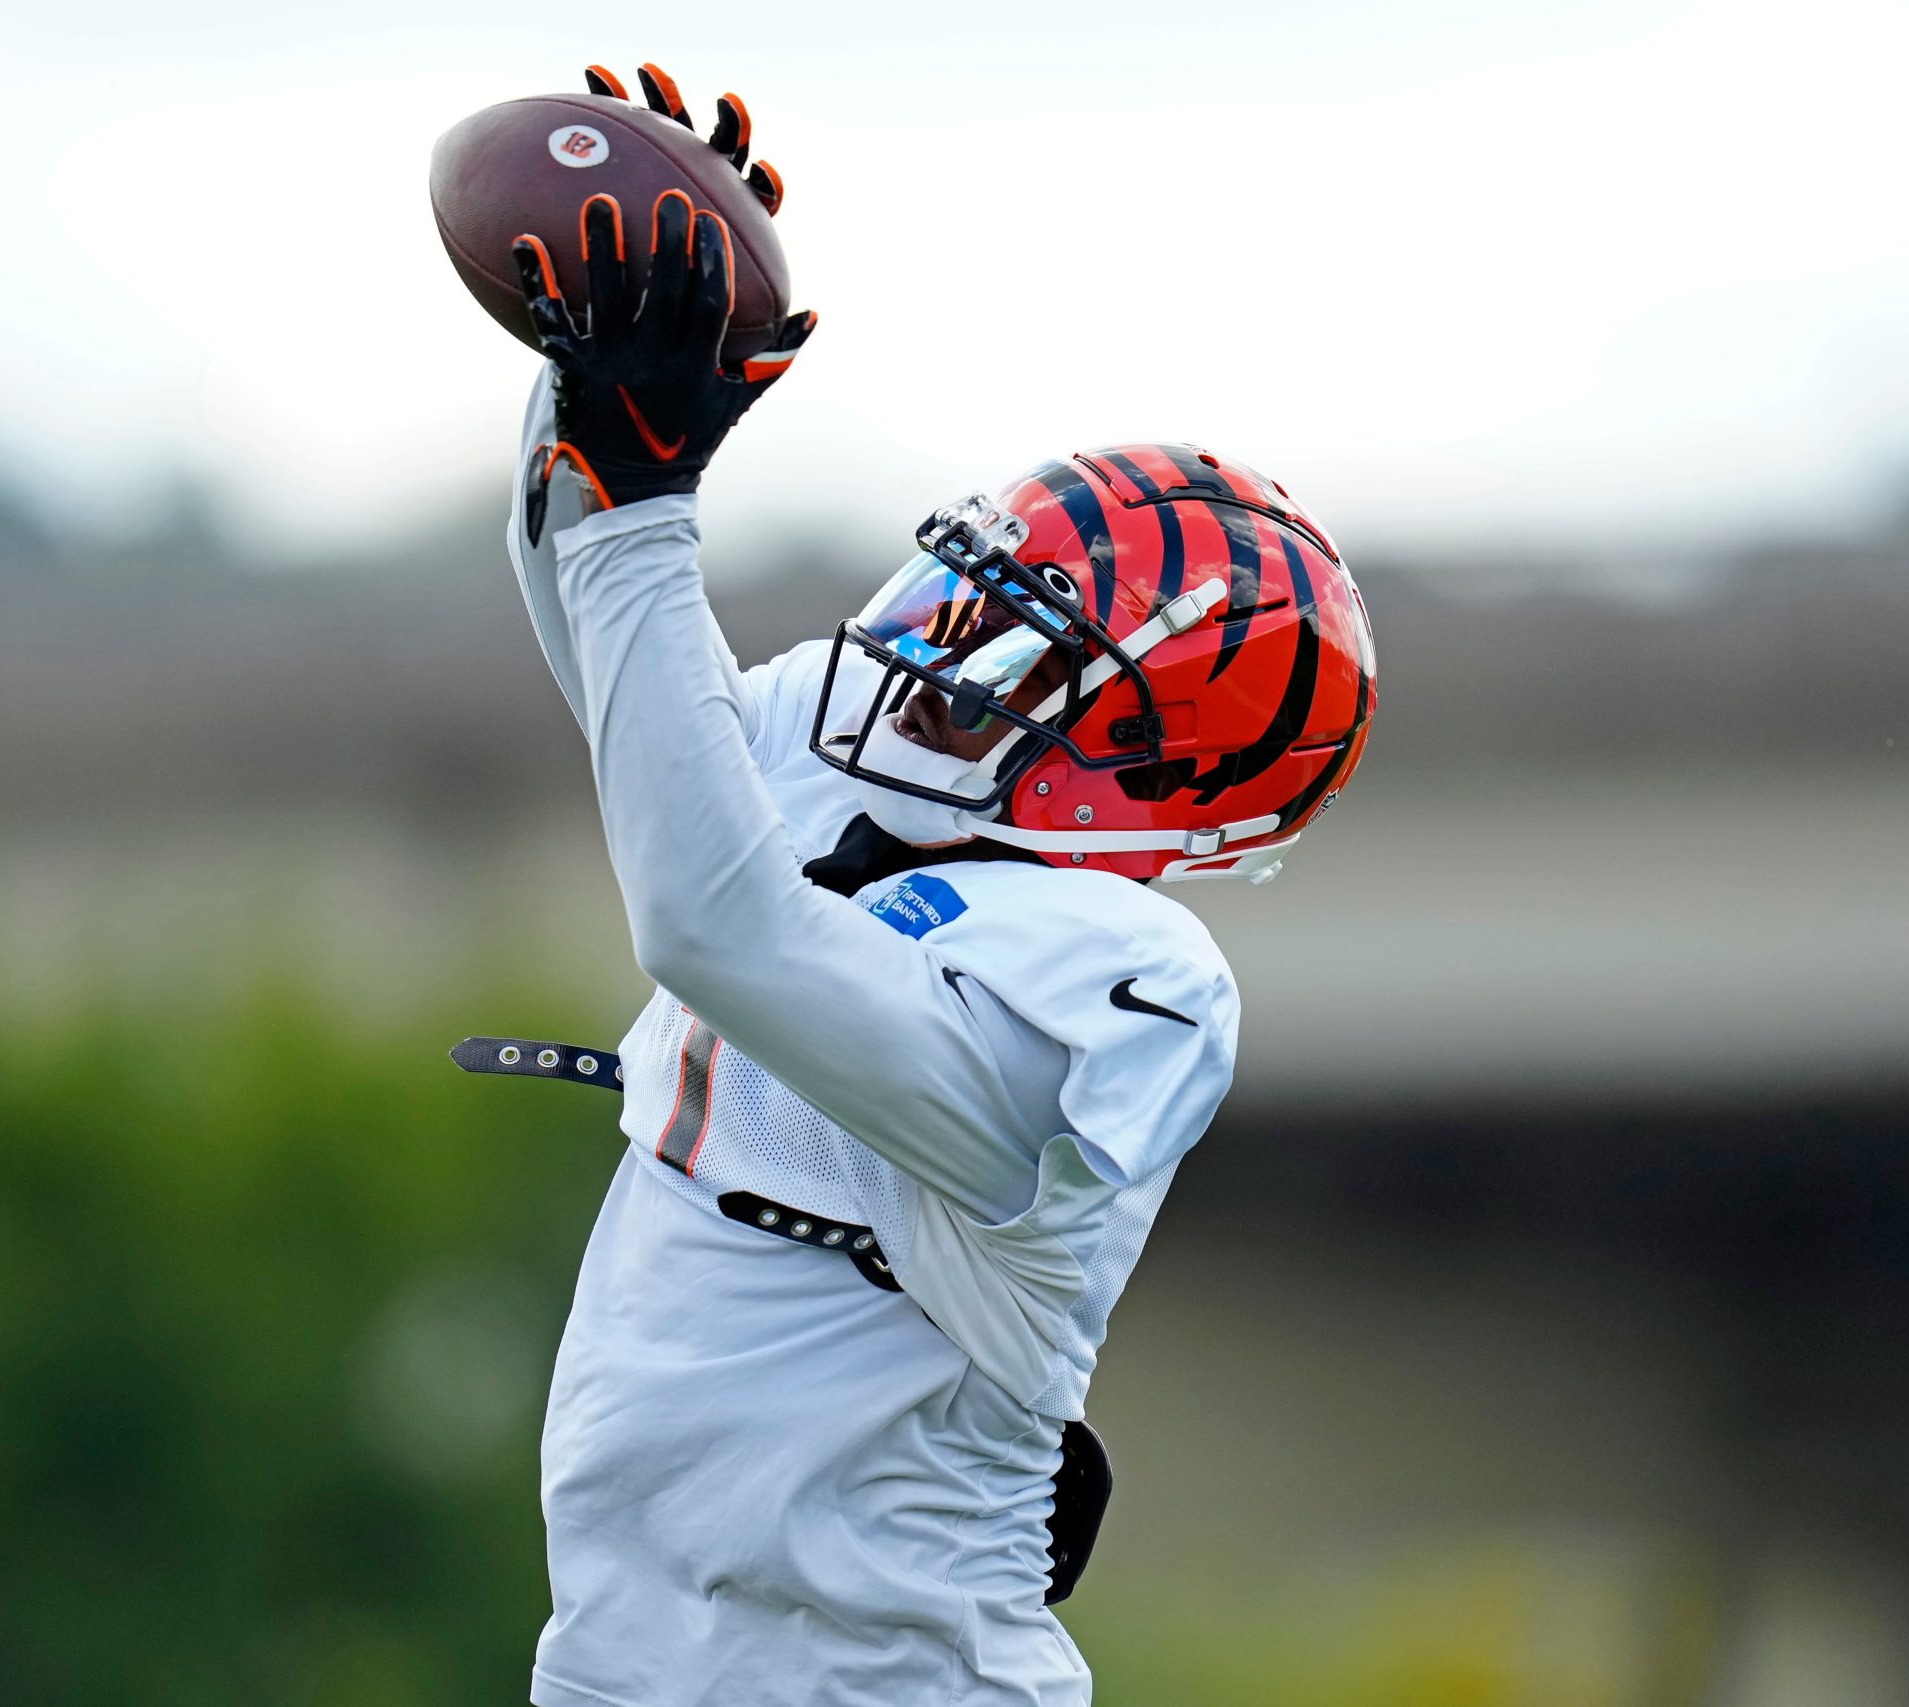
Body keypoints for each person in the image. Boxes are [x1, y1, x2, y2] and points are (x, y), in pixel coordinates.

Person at [486, 63, 1378, 1707]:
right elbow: (618, 658)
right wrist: (598, 373)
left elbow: (715, 925)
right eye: (969, 599)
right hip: (628, 1670)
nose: (939, 656)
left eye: (1014, 640)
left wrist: (640, 500)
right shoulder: (862, 767)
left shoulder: (1123, 984)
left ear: (1141, 754)